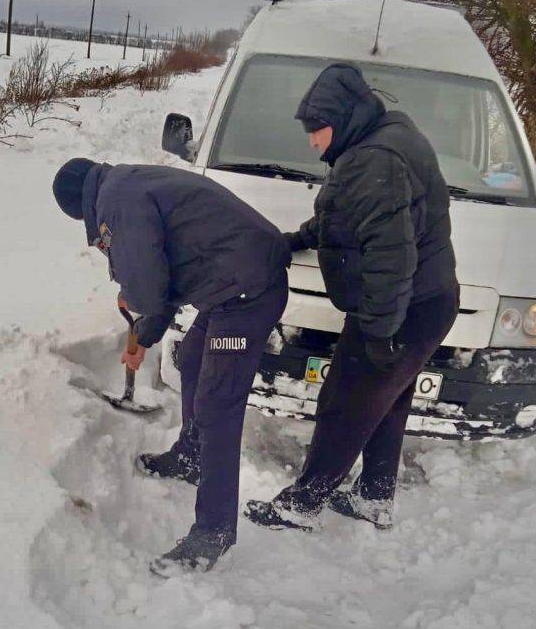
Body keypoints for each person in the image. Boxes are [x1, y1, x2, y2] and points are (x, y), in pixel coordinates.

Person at [244, 63, 459, 531]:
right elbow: (351, 217)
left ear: (342, 120)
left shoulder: (372, 159)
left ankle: (302, 503)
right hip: (426, 301)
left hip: (400, 307)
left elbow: (390, 256)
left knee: (346, 402)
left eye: (316, 131)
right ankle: (374, 497)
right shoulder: (385, 135)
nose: (312, 142)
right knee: (386, 399)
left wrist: (380, 331)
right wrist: (299, 239)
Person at [52, 159, 290, 573]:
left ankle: (213, 532)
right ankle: (191, 455)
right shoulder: (123, 183)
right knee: (194, 356)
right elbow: (159, 281)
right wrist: (143, 335)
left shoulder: (119, 203)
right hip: (230, 285)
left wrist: (135, 297)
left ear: (79, 208)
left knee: (218, 404)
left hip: (246, 293)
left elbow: (148, 286)